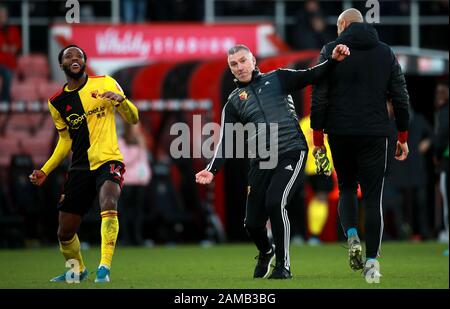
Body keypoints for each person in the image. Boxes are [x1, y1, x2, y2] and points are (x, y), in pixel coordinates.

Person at [195, 43, 349, 279]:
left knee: (275, 202)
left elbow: (313, 74)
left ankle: (283, 267)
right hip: (261, 161)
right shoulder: (234, 102)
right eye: (233, 64)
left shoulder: (278, 78)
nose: (239, 67)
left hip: (292, 151)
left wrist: (334, 61)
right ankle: (266, 251)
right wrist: (211, 169)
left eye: (242, 61)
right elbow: (227, 140)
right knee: (252, 224)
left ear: (253, 61)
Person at [311, 9, 410, 280]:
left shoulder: (331, 50)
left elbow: (319, 95)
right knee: (372, 197)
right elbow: (401, 97)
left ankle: (352, 235)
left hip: (340, 132)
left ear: (342, 24)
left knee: (345, 188)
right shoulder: (385, 52)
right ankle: (371, 264)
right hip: (376, 133)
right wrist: (402, 137)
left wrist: (318, 138)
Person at [29, 45, 139, 283]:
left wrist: (122, 102)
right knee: (64, 232)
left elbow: (134, 118)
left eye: (79, 55)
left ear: (85, 61)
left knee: (109, 201)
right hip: (79, 167)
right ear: (62, 65)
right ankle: (76, 270)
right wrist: (45, 170)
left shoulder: (106, 83)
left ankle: (104, 267)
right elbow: (64, 141)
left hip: (109, 159)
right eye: (68, 56)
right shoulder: (57, 102)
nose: (74, 58)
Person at [118, 123, 151, 246]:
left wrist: (146, 176)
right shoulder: (121, 141)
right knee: (125, 211)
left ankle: (138, 238)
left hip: (139, 181)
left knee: (138, 212)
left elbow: (143, 161)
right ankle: (125, 238)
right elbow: (124, 160)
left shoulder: (140, 142)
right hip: (127, 181)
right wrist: (138, 149)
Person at [433, 81, 449, 256]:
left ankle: (447, 236)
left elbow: (441, 135)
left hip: (447, 162)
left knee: (448, 204)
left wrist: (436, 154)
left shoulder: (444, 113)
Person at [0, 4, 21, 102]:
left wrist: (11, 48)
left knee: (8, 73)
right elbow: (3, 47)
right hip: (1, 62)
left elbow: (17, 45)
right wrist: (7, 48)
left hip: (10, 64)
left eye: (4, 15)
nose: (3, 17)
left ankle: (5, 101)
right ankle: (5, 100)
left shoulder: (13, 29)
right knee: (6, 73)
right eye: (1, 15)